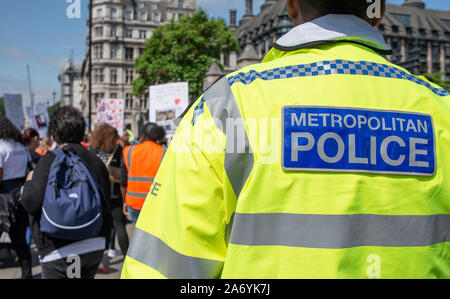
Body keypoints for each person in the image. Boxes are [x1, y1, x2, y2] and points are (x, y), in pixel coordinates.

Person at [121, 0, 450, 279]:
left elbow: (161, 268)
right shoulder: (442, 109)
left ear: (292, 4)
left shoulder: (226, 107)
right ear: (377, 10)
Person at [21, 107, 112, 279]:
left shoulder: (48, 160)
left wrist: (28, 183)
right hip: (93, 244)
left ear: (54, 133)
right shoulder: (95, 162)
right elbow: (105, 202)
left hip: (57, 249)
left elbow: (31, 203)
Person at [90, 124, 129, 260]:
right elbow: (124, 174)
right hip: (116, 192)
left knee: (100, 228)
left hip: (99, 193)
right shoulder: (119, 150)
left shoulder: (94, 151)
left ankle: (99, 259)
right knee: (120, 226)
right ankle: (126, 257)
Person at [0, 116, 33, 279]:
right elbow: (28, 169)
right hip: (20, 195)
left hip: (4, 197)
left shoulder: (1, 147)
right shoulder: (21, 146)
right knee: (20, 239)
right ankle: (27, 273)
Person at [120, 123, 166, 224]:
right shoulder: (164, 152)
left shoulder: (128, 151)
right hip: (156, 204)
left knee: (137, 236)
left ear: (143, 135)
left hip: (133, 203)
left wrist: (124, 202)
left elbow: (123, 180)